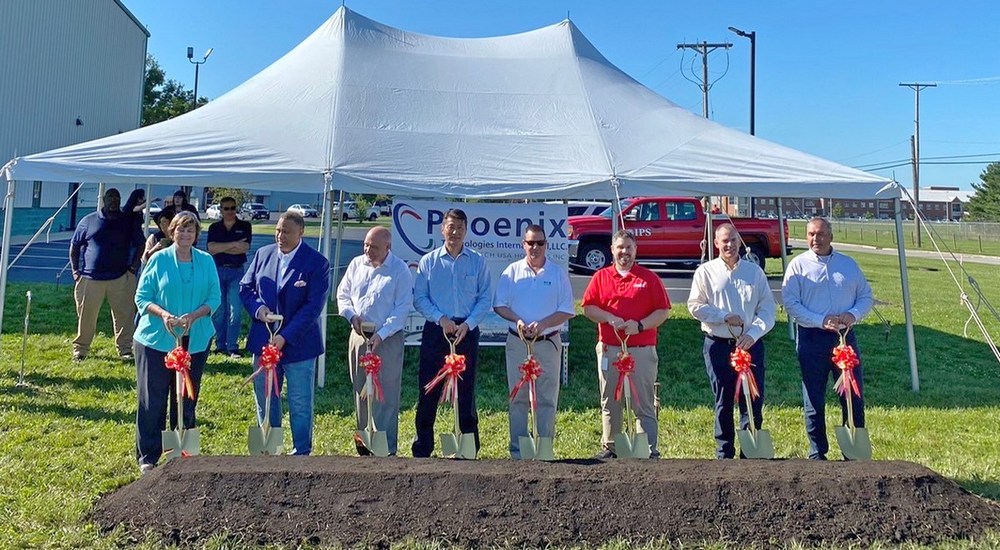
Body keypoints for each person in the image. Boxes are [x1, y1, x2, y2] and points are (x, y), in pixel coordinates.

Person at [133, 212, 221, 473]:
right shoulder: (158, 259)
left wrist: (195, 315)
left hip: (195, 339)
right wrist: (164, 315)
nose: (185, 235)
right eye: (180, 230)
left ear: (197, 235)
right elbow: (141, 297)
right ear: (172, 232)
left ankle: (181, 450)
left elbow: (214, 298)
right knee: (153, 398)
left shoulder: (206, 261)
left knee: (185, 397)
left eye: (190, 231)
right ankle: (148, 456)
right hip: (156, 340)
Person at [782, 217, 874, 460]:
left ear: (831, 236)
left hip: (844, 339)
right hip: (812, 338)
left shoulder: (848, 265)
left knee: (852, 395)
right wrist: (820, 319)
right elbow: (790, 303)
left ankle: (853, 451)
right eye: (811, 234)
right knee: (814, 396)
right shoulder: (798, 266)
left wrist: (853, 315)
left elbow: (865, 296)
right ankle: (817, 452)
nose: (816, 239)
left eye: (821, 234)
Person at [240, 211, 330, 456]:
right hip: (263, 340)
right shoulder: (263, 254)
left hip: (299, 344)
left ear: (301, 232)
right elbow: (246, 288)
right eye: (278, 230)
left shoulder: (317, 262)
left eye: (286, 232)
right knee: (266, 397)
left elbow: (313, 307)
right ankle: (271, 447)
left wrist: (284, 337)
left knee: (300, 402)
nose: (280, 236)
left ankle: (301, 451)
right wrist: (258, 309)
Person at [687, 223, 776, 459]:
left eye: (734, 240)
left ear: (740, 242)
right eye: (724, 241)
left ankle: (752, 448)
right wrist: (723, 317)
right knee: (723, 400)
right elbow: (695, 306)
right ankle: (724, 452)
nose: (730, 245)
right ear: (716, 244)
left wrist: (753, 334)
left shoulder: (754, 273)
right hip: (718, 345)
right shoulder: (705, 272)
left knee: (752, 398)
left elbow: (767, 310)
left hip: (750, 345)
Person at [581, 229, 671, 459]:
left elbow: (663, 312)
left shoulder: (649, 278)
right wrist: (609, 318)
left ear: (635, 250)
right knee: (610, 400)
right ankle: (610, 446)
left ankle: (648, 448)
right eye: (620, 247)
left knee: (644, 401)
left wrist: (640, 325)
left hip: (641, 350)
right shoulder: (600, 277)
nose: (624, 252)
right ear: (612, 250)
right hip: (610, 350)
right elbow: (588, 308)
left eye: (629, 248)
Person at [412, 208, 492, 458]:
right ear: (442, 229)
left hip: (466, 332)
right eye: (450, 227)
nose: (454, 232)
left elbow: (485, 297)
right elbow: (420, 298)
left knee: (465, 392)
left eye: (459, 227)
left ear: (466, 231)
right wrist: (441, 319)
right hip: (437, 331)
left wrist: (468, 324)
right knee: (429, 389)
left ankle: (468, 447)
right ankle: (423, 446)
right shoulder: (429, 261)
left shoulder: (478, 261)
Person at [493, 224, 574, 459]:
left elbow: (567, 310)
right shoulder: (512, 271)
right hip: (518, 342)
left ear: (546, 245)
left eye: (540, 243)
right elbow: (499, 305)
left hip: (548, 342)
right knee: (518, 397)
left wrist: (545, 323)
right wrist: (518, 320)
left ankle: (544, 448)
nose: (535, 247)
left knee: (547, 398)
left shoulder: (558, 273)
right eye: (530, 243)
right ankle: (518, 451)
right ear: (523, 245)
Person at [335, 226, 413, 456]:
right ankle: (363, 446)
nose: (368, 250)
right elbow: (342, 294)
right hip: (358, 337)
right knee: (360, 390)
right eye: (366, 245)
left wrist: (381, 334)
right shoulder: (356, 264)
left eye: (375, 247)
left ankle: (385, 449)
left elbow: (402, 309)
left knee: (385, 394)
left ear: (388, 247)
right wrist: (351, 316)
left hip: (386, 340)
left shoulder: (400, 271)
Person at [69, 187, 145, 361]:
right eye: (110, 197)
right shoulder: (88, 220)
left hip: (120, 278)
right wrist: (75, 271)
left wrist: (133, 269)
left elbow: (141, 245)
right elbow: (75, 246)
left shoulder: (127, 221)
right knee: (86, 315)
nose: (113, 200)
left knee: (124, 315)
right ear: (104, 200)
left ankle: (125, 349)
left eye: (117, 197)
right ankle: (81, 350)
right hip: (90, 278)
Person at [207, 196, 253, 358]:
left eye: (232, 208)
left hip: (236, 271)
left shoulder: (245, 226)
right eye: (226, 208)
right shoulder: (214, 228)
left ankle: (232, 346)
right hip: (217, 270)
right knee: (219, 310)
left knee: (235, 310)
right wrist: (234, 244)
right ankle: (220, 345)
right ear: (220, 210)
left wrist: (223, 247)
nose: (230, 211)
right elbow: (212, 249)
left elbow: (244, 248)